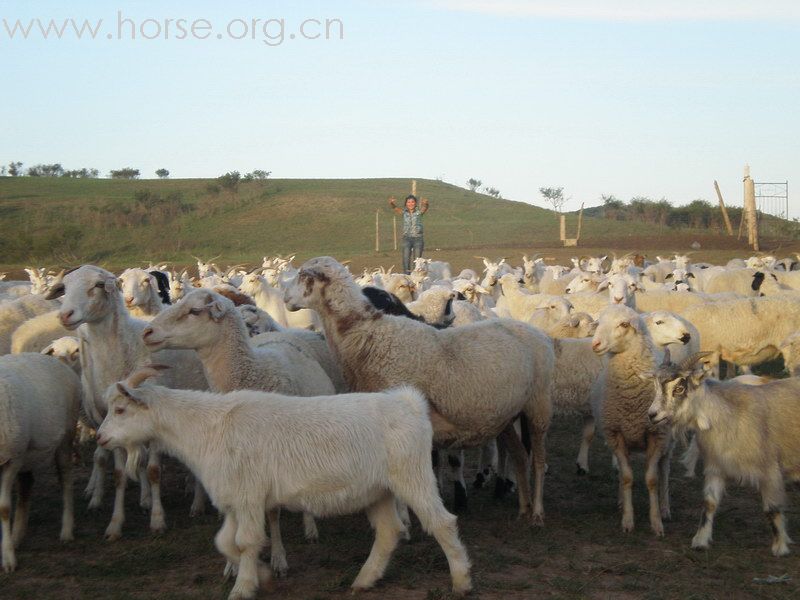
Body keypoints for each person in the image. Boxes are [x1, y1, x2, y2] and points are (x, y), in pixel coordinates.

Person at [389, 194, 429, 274]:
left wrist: (425, 204)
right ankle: (407, 277)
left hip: (418, 238)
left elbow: (424, 208)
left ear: (415, 203)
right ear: (406, 204)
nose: (410, 204)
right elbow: (396, 209)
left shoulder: (419, 212)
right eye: (408, 202)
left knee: (417, 261)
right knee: (406, 259)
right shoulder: (404, 212)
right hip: (407, 238)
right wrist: (392, 203)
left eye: (412, 202)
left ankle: (416, 277)